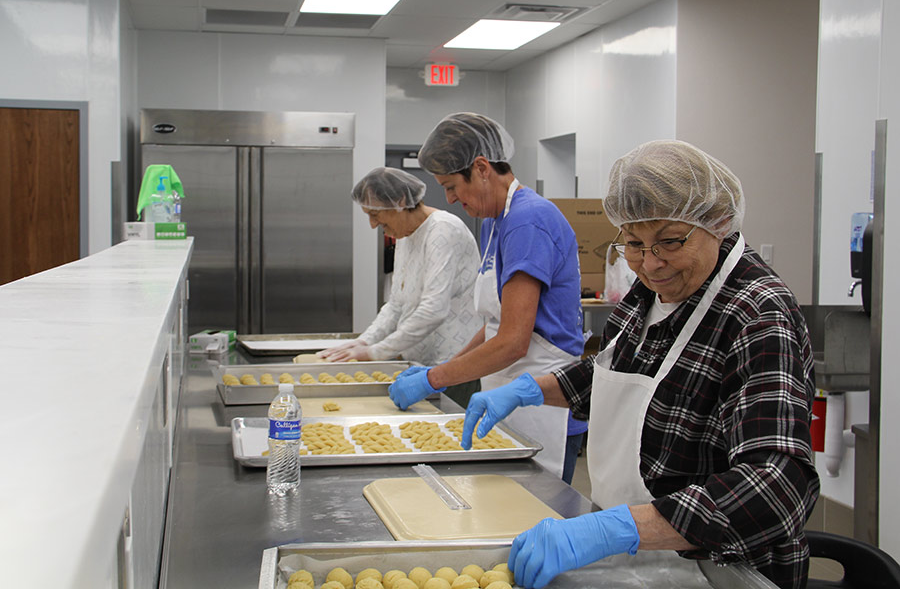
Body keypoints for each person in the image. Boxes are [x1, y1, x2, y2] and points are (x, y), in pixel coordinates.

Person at [460, 140, 820, 589]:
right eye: (633, 243)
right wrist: (530, 389)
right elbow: (614, 373)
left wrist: (620, 528)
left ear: (719, 223)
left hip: (720, 569)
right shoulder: (651, 289)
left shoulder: (758, 313)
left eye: (670, 241)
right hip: (644, 562)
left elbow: (776, 488)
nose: (650, 265)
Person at [389, 112, 585, 478]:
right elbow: (495, 325)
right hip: (504, 395)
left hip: (543, 403)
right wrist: (442, 371)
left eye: (451, 186)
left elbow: (513, 341)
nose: (448, 199)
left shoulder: (529, 221)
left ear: (481, 168)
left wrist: (435, 379)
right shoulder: (495, 224)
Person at [317, 167, 481, 386]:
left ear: (401, 201)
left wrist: (376, 352)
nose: (373, 225)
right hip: (418, 365)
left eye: (375, 215)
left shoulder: (443, 230)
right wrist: (363, 342)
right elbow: (396, 305)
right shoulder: (405, 235)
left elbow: (434, 309)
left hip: (454, 366)